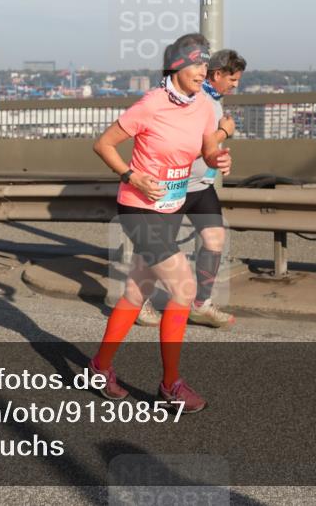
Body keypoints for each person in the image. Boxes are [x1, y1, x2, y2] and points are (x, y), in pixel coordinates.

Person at [88, 34, 234, 413]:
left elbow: (206, 149)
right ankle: (170, 386)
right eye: (197, 63)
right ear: (176, 67)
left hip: (171, 208)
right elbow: (103, 144)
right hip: (138, 209)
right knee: (183, 289)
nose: (204, 70)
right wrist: (130, 175)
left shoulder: (203, 105)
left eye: (206, 64)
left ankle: (99, 368)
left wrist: (218, 160)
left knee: (137, 293)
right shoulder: (151, 104)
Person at [135, 49, 246, 329]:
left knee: (214, 241)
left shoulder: (215, 100)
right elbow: (187, 149)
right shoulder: (197, 100)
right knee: (157, 253)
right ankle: (138, 302)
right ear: (217, 74)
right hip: (176, 185)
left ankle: (200, 305)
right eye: (232, 79)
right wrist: (224, 133)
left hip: (202, 186)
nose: (235, 85)